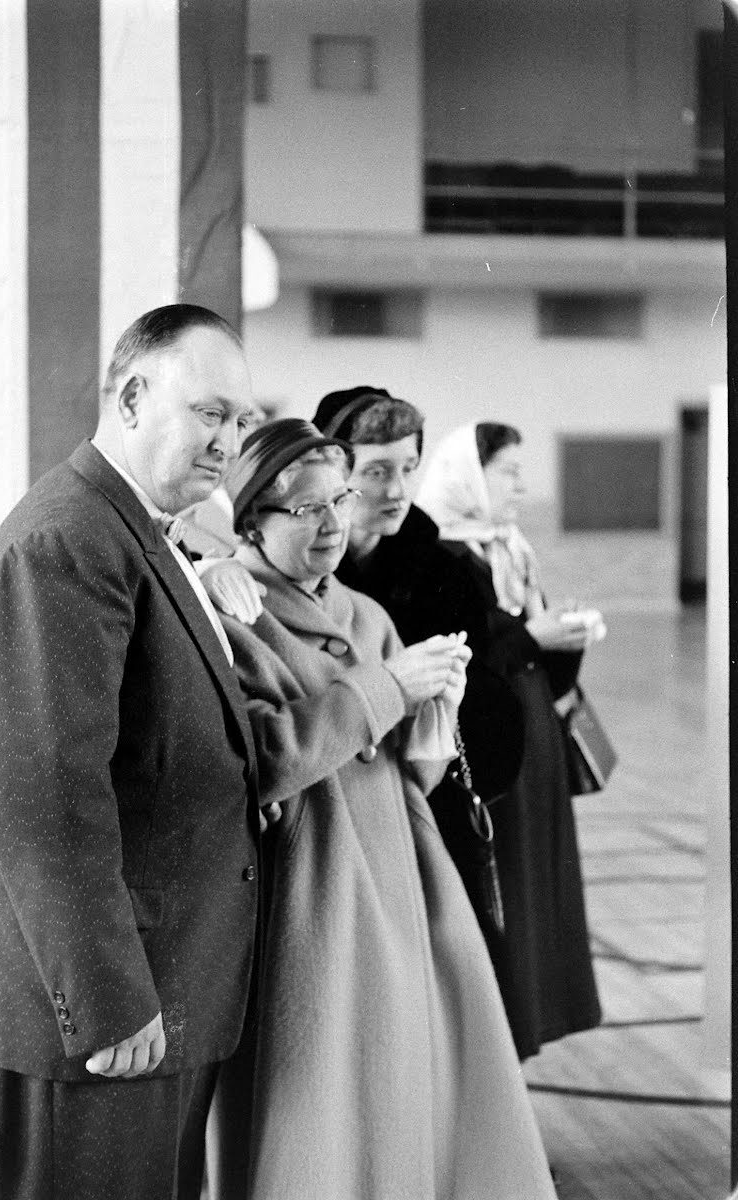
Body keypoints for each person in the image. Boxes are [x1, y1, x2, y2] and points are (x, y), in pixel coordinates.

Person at [0, 304, 273, 1200]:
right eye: (209, 412)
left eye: (240, 420)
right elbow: (46, 797)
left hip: (160, 979)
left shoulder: (130, 530)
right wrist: (107, 1000)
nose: (228, 442)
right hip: (106, 1010)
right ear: (131, 398)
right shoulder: (66, 542)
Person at [213, 417, 557, 1200]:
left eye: (339, 500)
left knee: (406, 1071)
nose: (333, 524)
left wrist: (436, 716)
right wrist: (388, 688)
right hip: (312, 883)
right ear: (252, 521)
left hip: (398, 872)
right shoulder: (233, 618)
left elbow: (407, 775)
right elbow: (260, 761)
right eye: (307, 509)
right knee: (321, 1085)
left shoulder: (366, 615)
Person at [310, 386, 525, 972]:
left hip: (423, 801)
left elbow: (480, 701)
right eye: (377, 471)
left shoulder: (446, 572)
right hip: (325, 809)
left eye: (409, 468)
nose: (398, 490)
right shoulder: (299, 566)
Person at [417, 420, 603, 1060]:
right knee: (506, 902)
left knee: (536, 896)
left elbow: (540, 665)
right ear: (470, 477)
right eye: (509, 472)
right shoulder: (444, 559)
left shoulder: (512, 552)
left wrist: (565, 639)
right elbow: (464, 662)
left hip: (535, 744)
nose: (521, 486)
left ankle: (532, 1037)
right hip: (491, 756)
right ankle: (505, 1052)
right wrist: (533, 637)